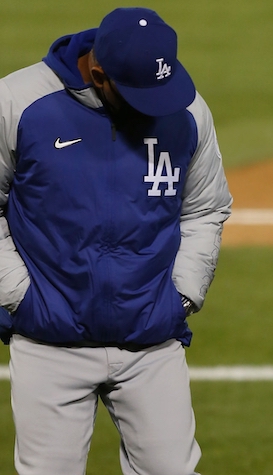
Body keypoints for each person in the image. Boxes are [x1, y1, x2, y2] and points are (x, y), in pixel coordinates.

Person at [0, 7, 232, 475]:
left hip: (151, 342)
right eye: (138, 94)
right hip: (49, 343)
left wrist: (182, 296)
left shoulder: (185, 111)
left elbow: (205, 208)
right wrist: (20, 297)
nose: (155, 106)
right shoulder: (19, 102)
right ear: (99, 74)